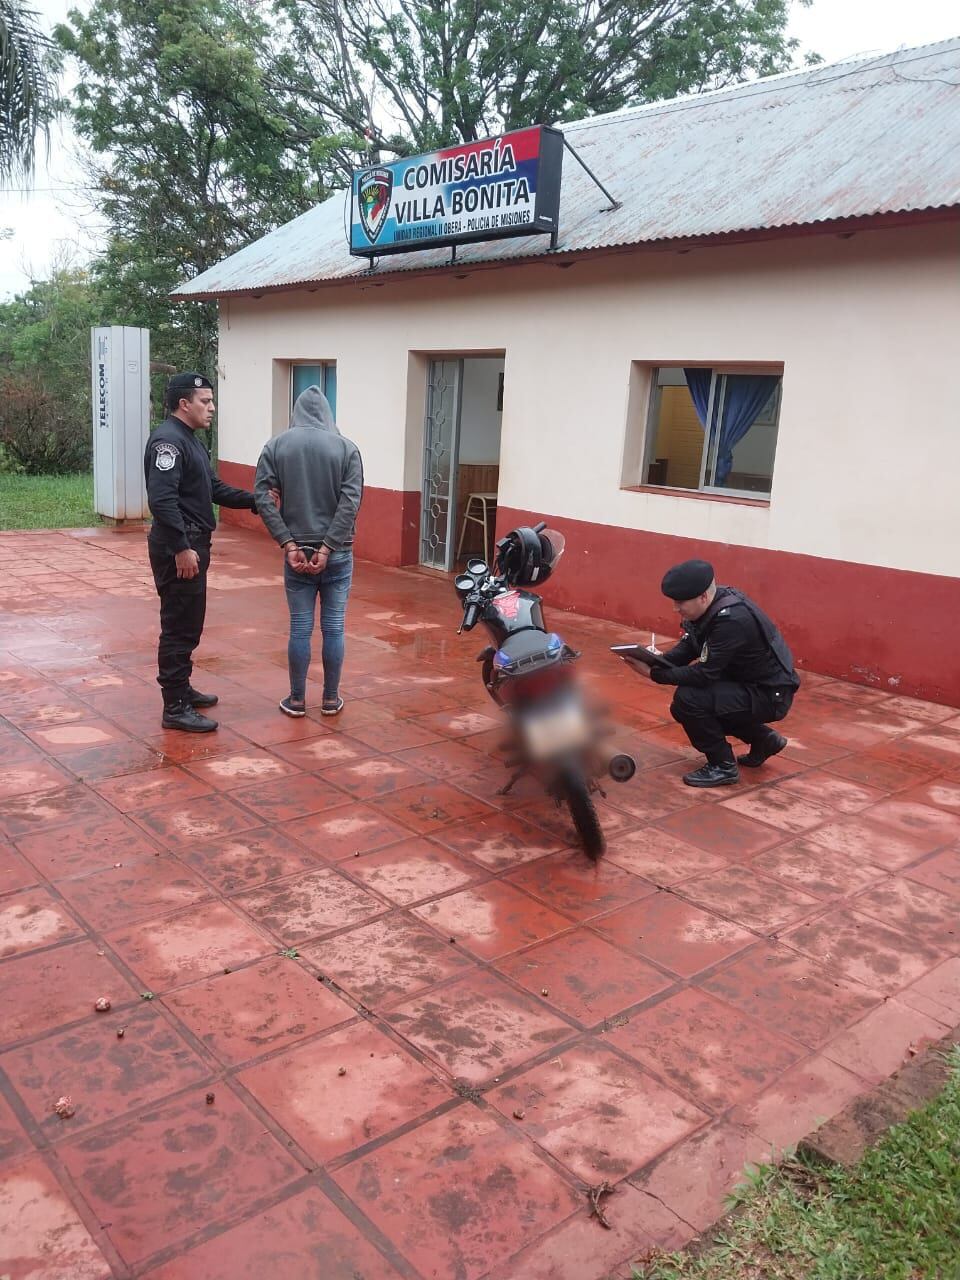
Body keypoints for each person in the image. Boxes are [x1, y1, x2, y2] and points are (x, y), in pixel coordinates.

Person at [145, 372, 259, 732]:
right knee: (178, 625)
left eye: (211, 401)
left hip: (193, 543)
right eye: (205, 401)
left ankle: (182, 689)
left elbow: (213, 488)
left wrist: (255, 501)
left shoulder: (190, 440)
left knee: (189, 623)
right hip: (179, 546)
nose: (212, 408)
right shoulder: (168, 442)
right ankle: (174, 707)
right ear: (184, 404)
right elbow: (162, 501)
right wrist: (181, 547)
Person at [626, 559, 800, 788]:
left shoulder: (731, 620)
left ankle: (722, 766)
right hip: (747, 684)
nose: (675, 608)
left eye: (680, 603)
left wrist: (654, 675)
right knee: (693, 703)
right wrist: (657, 661)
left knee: (689, 701)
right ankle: (764, 740)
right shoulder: (709, 608)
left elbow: (705, 674)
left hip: (769, 695)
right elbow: (689, 647)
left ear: (702, 597)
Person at [254, 385, 363, 717]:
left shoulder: (276, 446)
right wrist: (328, 548)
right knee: (334, 626)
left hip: (296, 553)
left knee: (300, 627)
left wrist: (287, 543)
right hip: (338, 554)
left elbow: (262, 498)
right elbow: (350, 503)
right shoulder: (347, 449)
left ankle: (297, 699)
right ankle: (331, 699)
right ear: (328, 415)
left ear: (296, 413)